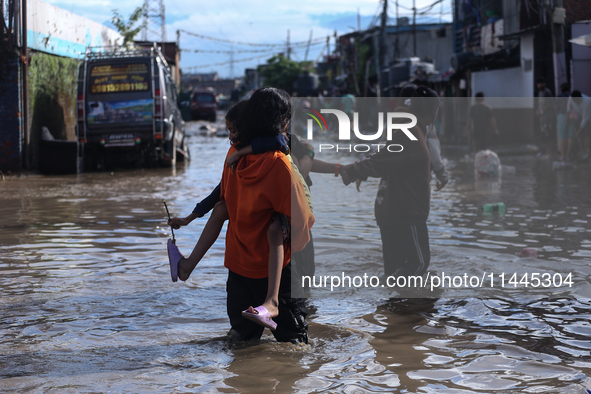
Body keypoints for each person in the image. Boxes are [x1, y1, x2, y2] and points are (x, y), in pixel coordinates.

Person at [224, 87, 315, 343]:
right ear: (284, 121)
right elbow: (303, 219)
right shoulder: (278, 163)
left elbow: (224, 202)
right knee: (295, 347)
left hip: (238, 266)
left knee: (240, 342)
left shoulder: (233, 156)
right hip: (278, 270)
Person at [339, 86, 437, 278]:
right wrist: (354, 170)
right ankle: (403, 302)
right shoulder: (411, 130)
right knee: (419, 264)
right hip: (407, 210)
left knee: (393, 270)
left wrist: (359, 170)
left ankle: (391, 305)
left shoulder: (407, 126)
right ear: (434, 112)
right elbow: (385, 157)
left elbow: (384, 155)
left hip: (392, 208)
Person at [400, 84, 449, 191]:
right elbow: (434, 152)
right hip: (418, 181)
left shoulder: (394, 121)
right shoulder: (427, 123)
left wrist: (362, 171)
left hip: (394, 182)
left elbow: (381, 149)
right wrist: (443, 176)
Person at [536, 77, 556, 158]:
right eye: (539, 83)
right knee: (545, 135)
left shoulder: (547, 92)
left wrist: (542, 112)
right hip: (542, 119)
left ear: (544, 84)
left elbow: (550, 104)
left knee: (550, 135)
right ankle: (547, 152)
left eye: (541, 83)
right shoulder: (539, 93)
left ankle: (551, 152)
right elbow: (539, 104)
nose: (540, 85)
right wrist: (538, 111)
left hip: (548, 118)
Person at [570, 90, 591, 161]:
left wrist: (578, 132)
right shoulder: (571, 98)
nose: (575, 102)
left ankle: (586, 153)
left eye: (576, 101)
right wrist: (568, 115)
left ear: (580, 98)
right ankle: (585, 152)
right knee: (581, 135)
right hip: (582, 117)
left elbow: (585, 119)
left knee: (587, 135)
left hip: (588, 118)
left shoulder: (587, 102)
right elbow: (569, 105)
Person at [557, 83, 574, 161]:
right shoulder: (571, 96)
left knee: (562, 136)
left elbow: (556, 108)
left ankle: (562, 156)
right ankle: (568, 155)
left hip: (561, 116)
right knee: (570, 136)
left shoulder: (559, 97)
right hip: (571, 116)